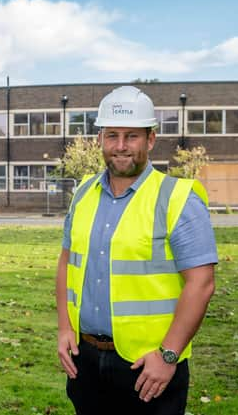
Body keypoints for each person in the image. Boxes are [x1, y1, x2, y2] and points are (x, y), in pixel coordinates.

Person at [55, 85, 217, 414]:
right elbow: (66, 263)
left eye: (132, 136)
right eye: (112, 135)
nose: (121, 146)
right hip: (84, 359)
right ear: (100, 139)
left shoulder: (177, 198)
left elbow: (201, 284)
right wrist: (64, 328)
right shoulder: (84, 192)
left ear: (151, 140)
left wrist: (168, 355)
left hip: (149, 366)